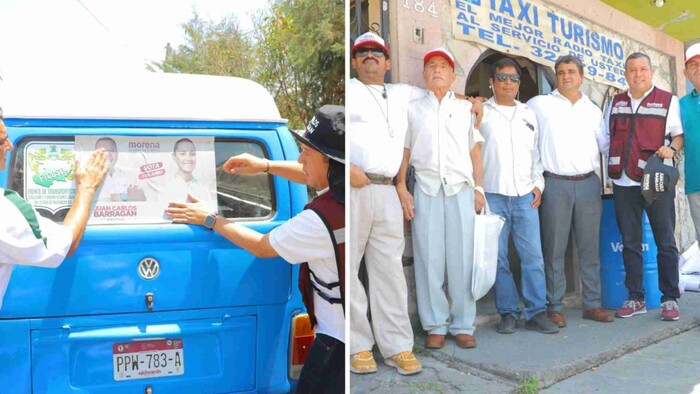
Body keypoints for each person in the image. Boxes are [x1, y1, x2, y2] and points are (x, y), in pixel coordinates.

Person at [166, 105, 345, 394]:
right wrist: (265, 165)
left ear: (330, 163)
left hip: (334, 343)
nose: (300, 160)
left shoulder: (318, 220)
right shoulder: (345, 194)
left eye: (307, 154)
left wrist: (210, 219)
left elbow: (263, 246)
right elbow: (308, 173)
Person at [348, 31, 482, 377]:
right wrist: (353, 169)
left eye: (376, 52)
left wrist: (475, 102)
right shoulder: (361, 94)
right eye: (361, 52)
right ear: (353, 61)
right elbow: (397, 149)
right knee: (360, 267)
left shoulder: (409, 96)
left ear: (388, 62)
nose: (369, 56)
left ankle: (409, 343)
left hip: (423, 189)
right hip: (371, 187)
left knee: (396, 269)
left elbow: (468, 137)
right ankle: (368, 343)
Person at [396, 48, 483, 350]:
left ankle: (462, 325)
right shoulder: (413, 108)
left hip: (460, 188)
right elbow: (404, 151)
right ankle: (435, 324)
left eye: (443, 66)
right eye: (431, 66)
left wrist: (479, 189)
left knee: (462, 260)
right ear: (423, 74)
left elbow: (475, 150)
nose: (437, 71)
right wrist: (400, 186)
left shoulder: (466, 109)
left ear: (453, 75)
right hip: (427, 188)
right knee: (428, 259)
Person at [527, 55, 613, 327]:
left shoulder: (592, 109)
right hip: (554, 184)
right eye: (561, 72)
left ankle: (592, 304)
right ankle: (554, 305)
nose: (566, 76)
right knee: (554, 248)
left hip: (588, 184)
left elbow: (606, 146)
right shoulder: (539, 104)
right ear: (555, 76)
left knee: (589, 247)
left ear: (581, 76)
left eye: (571, 72)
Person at [479, 58, 559, 335]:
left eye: (513, 79)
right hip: (493, 195)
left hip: (526, 195)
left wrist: (538, 184)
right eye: (502, 78)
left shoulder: (528, 114)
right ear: (492, 81)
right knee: (498, 259)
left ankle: (536, 312)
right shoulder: (480, 113)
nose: (508, 83)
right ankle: (508, 312)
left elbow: (536, 154)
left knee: (533, 257)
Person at [604, 52, 684, 321]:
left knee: (665, 241)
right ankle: (635, 298)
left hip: (656, 181)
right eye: (632, 70)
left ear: (651, 73)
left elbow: (678, 135)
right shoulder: (615, 102)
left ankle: (670, 298)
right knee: (630, 242)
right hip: (623, 181)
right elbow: (607, 137)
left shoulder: (667, 100)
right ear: (625, 74)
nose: (638, 74)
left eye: (642, 69)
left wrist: (671, 149)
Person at [0, 113, 108, 309]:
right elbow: (65, 244)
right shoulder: (5, 210)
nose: (9, 145)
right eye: (1, 141)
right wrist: (86, 189)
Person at [681, 43, 700, 245]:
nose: (698, 67)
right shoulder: (681, 104)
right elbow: (676, 138)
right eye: (693, 64)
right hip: (697, 181)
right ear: (685, 73)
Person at [94, 137, 146, 202]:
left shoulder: (125, 174)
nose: (107, 154)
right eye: (102, 151)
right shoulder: (90, 177)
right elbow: (103, 200)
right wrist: (128, 197)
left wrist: (120, 197)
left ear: (117, 154)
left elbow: (141, 197)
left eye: (111, 150)